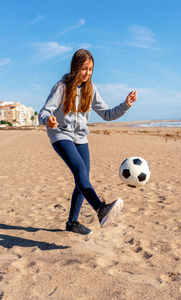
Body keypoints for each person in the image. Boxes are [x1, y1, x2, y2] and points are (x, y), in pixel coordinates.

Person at [38, 49, 137, 235]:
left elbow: (107, 114)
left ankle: (72, 222)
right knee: (80, 171)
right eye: (84, 68)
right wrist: (48, 120)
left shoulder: (91, 89)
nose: (87, 73)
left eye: (90, 69)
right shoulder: (61, 87)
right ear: (76, 68)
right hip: (60, 134)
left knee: (82, 180)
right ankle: (100, 209)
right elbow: (43, 111)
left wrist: (126, 105)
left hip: (81, 138)